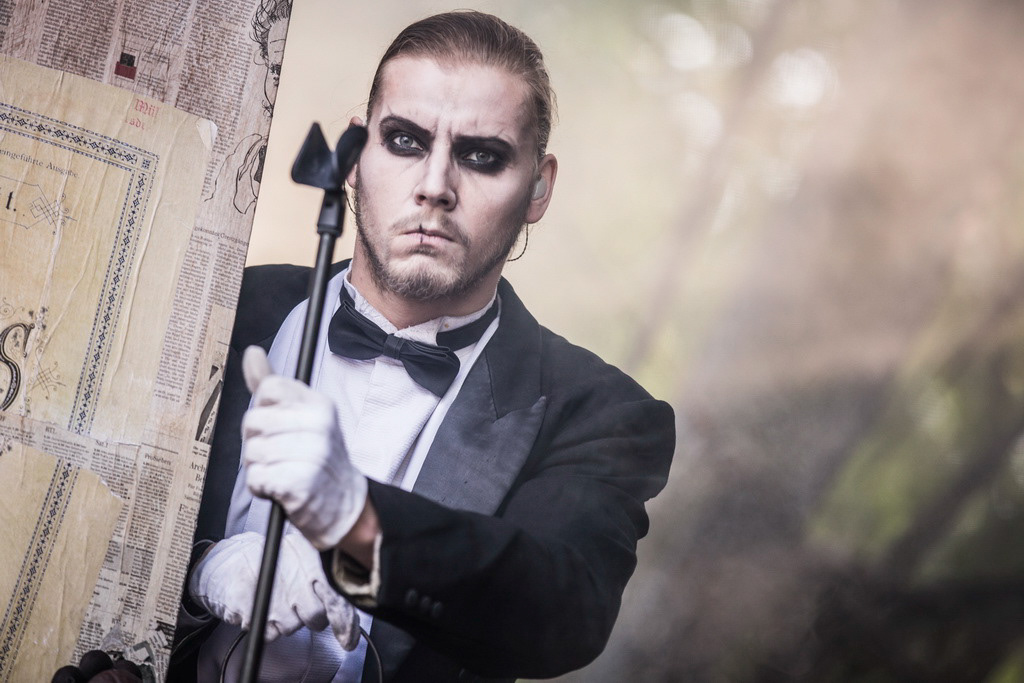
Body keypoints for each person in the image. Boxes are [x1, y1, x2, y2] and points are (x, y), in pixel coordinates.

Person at [169, 10, 674, 683]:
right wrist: (199, 571)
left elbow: (560, 613)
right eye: (405, 141)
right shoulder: (214, 301)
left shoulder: (600, 412)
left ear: (539, 187)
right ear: (356, 155)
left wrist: (356, 519)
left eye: (482, 155)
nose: (435, 185)